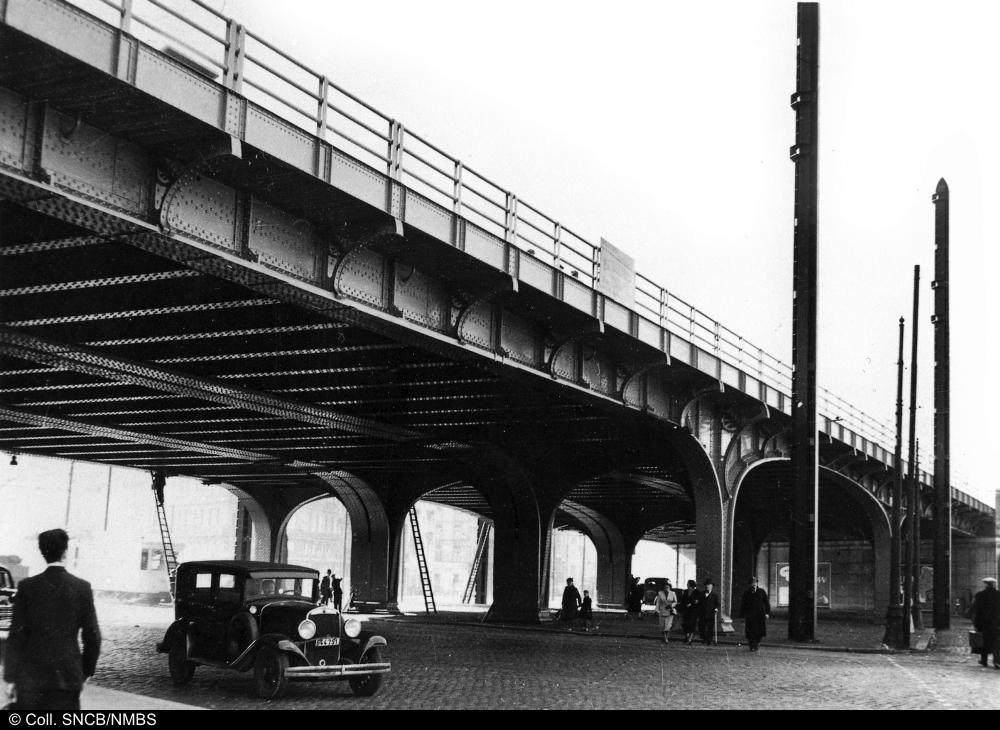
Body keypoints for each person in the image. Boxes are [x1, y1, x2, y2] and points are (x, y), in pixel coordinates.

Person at [3, 529, 101, 712]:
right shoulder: (82, 588)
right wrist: (85, 671)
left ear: (42, 552)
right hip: (67, 676)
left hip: (30, 678)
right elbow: (93, 637)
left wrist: (10, 677)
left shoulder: (27, 587)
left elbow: (16, 636)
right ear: (66, 551)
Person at [971, 576, 1000, 669]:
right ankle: (997, 661)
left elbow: (975, 610)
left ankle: (984, 661)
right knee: (997, 642)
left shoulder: (980, 595)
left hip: (983, 623)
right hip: (997, 623)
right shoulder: (998, 594)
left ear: (986, 584)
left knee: (984, 642)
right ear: (993, 585)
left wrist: (976, 623)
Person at [740, 576, 771, 651]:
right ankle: (752, 645)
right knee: (750, 632)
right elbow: (743, 605)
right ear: (750, 584)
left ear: (757, 583)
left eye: (755, 582)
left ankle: (757, 643)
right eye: (752, 583)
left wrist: (767, 613)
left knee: (759, 632)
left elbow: (767, 603)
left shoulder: (762, 592)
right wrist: (743, 615)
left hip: (760, 615)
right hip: (750, 616)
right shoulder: (746, 593)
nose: (754, 584)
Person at [654, 580, 678, 644]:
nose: (666, 588)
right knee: (662, 626)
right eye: (665, 587)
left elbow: (675, 602)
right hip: (662, 611)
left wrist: (671, 605)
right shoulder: (660, 593)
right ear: (663, 588)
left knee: (668, 626)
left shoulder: (673, 593)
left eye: (668, 587)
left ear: (670, 588)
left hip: (670, 611)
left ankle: (666, 638)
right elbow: (658, 603)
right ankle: (664, 637)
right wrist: (656, 610)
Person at [680, 579, 702, 644]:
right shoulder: (686, 591)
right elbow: (683, 600)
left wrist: (692, 603)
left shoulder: (697, 592)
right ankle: (687, 636)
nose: (687, 584)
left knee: (692, 625)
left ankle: (690, 638)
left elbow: (698, 601)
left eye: (688, 583)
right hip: (686, 611)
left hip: (693, 611)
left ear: (691, 584)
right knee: (685, 624)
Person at [699, 579, 720, 645]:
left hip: (711, 613)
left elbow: (717, 603)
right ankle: (704, 638)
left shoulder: (715, 595)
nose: (708, 586)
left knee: (710, 627)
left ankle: (709, 640)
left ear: (712, 586)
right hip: (703, 613)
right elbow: (700, 603)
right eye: (707, 585)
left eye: (709, 585)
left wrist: (716, 608)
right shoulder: (702, 593)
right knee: (702, 627)